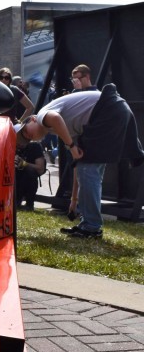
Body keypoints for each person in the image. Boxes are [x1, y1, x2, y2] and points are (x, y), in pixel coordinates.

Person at [15, 83, 144, 238]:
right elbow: (77, 163)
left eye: (26, 131)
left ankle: (92, 227)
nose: (28, 136)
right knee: (88, 170)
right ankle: (88, 224)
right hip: (112, 110)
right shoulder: (63, 129)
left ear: (33, 119)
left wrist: (71, 146)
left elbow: (55, 118)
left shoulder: (43, 114)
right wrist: (73, 200)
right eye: (26, 139)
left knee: (88, 171)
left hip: (107, 109)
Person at [14, 138, 46, 210]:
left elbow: (41, 169)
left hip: (29, 177)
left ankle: (29, 203)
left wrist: (24, 164)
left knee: (30, 172)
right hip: (16, 177)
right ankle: (16, 201)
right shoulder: (12, 145)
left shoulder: (34, 146)